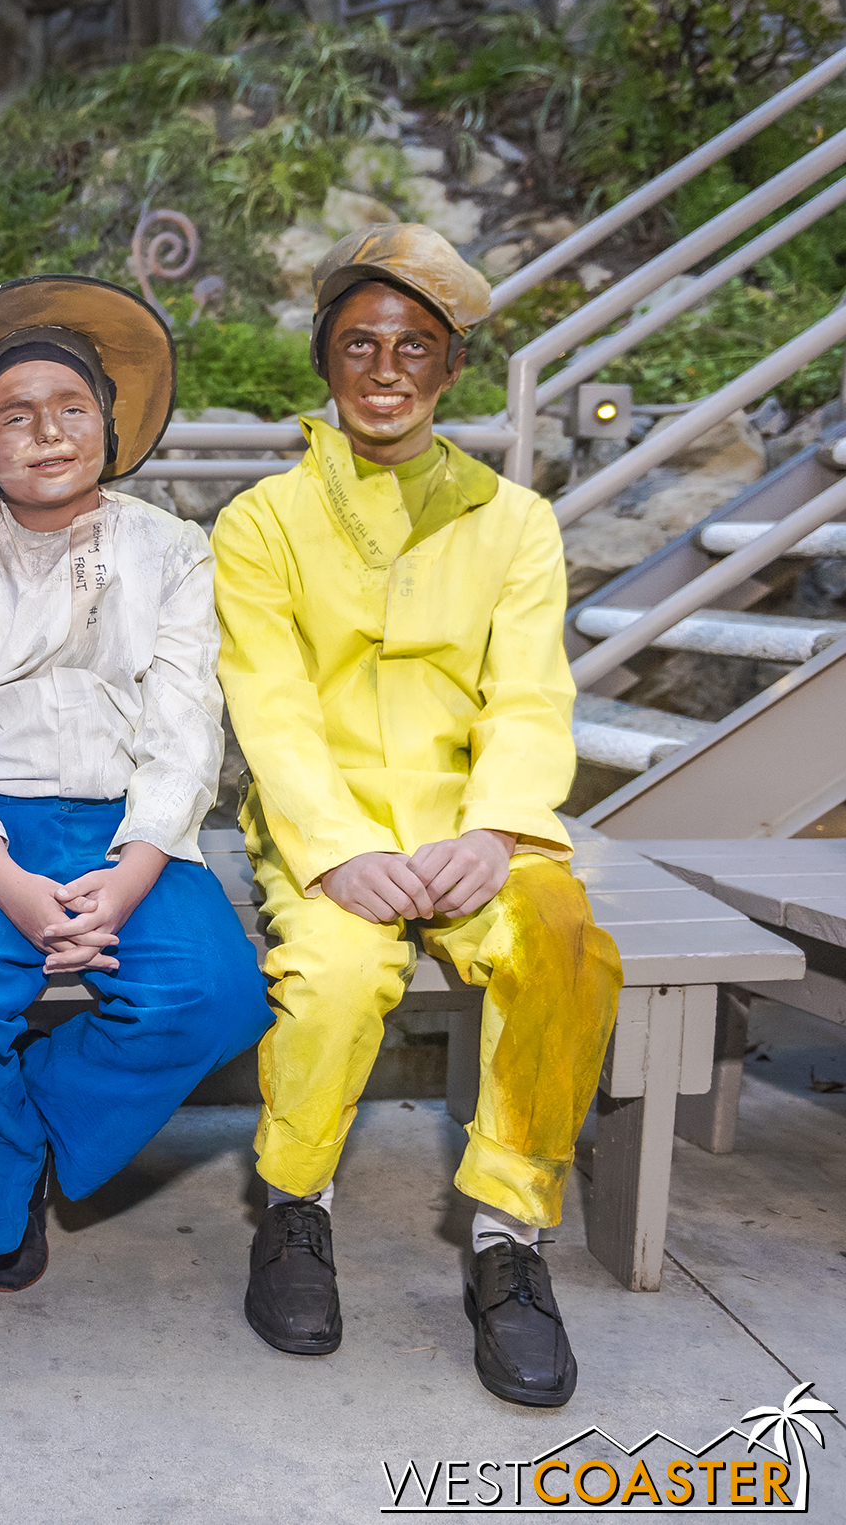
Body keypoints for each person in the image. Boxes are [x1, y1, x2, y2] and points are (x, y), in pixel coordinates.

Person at [211, 223, 622, 1407]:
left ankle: (507, 1234)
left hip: (475, 822)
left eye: (415, 348)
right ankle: (296, 1207)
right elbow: (270, 709)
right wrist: (336, 853)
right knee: (335, 979)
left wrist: (495, 829)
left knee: (560, 939)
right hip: (325, 823)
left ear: (450, 371)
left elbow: (532, 695)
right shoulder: (264, 522)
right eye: (360, 344)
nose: (386, 371)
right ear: (325, 362)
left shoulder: (516, 522)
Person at [0, 275, 274, 1292]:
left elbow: (186, 728)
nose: (46, 433)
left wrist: (133, 873)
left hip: (131, 829)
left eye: (71, 408)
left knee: (214, 995)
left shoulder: (172, 550)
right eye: (15, 415)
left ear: (110, 423)